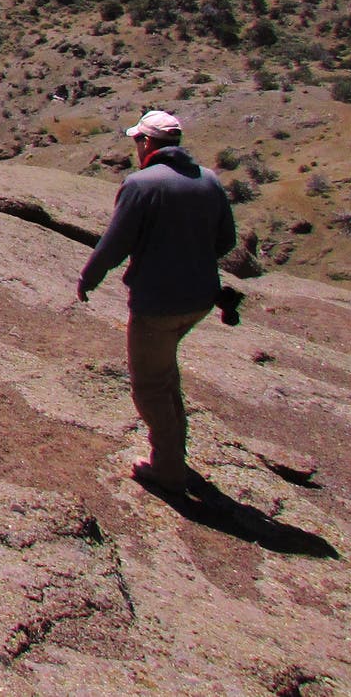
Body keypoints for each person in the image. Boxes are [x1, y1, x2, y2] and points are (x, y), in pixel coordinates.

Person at [77, 108, 237, 492]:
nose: (136, 147)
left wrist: (88, 278)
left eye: (137, 141)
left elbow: (115, 243)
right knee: (164, 373)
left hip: (158, 304)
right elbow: (227, 241)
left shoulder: (141, 184)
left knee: (148, 385)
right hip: (199, 299)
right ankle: (174, 448)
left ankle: (166, 468)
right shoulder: (209, 181)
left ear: (147, 143)